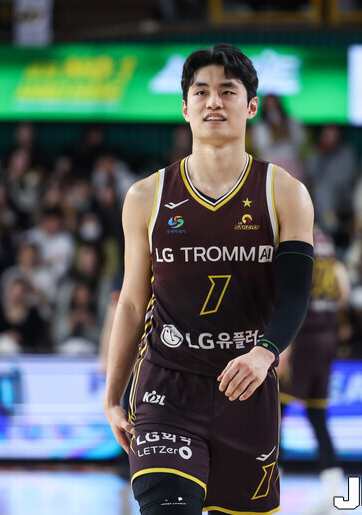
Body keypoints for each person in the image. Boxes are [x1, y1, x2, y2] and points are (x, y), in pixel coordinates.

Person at [103, 44, 315, 515]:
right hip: (166, 388)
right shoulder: (145, 196)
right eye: (201, 92)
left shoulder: (285, 193)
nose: (213, 101)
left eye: (227, 91)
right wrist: (113, 396)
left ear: (251, 106)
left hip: (246, 389)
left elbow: (295, 294)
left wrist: (265, 352)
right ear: (185, 108)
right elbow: (133, 303)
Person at [278, 227, 350, 514]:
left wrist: (284, 346)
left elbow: (293, 293)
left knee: (275, 412)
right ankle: (334, 488)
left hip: (303, 337)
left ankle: (270, 482)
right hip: (327, 337)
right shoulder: (327, 243)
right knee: (317, 414)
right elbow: (344, 291)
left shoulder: (298, 236)